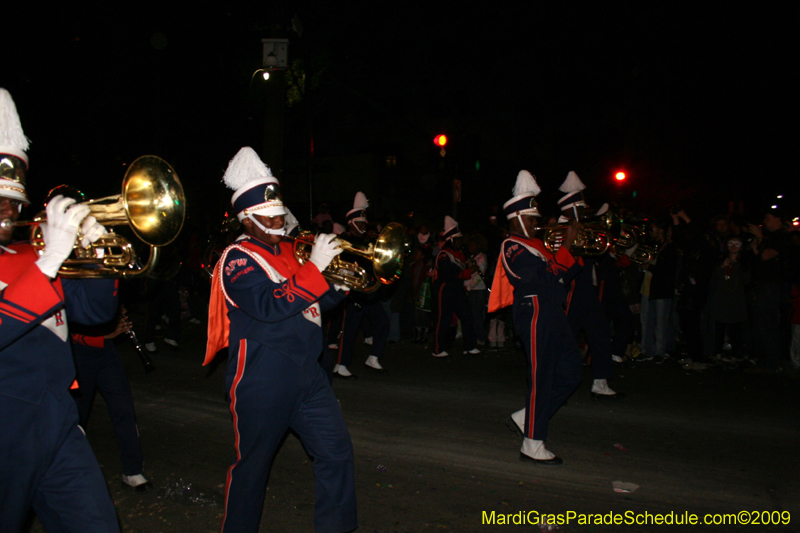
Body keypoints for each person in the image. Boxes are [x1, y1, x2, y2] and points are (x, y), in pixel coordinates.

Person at [205, 147, 356, 533]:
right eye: (269, 214)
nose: (279, 218)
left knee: (336, 452)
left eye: (279, 211)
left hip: (308, 374)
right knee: (253, 469)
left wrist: (340, 281)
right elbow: (271, 305)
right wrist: (316, 270)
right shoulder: (238, 258)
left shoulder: (290, 251)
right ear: (248, 218)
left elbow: (315, 301)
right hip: (262, 378)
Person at [0, 88, 120, 531]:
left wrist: (93, 253)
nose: (8, 211)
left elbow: (92, 315)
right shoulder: (42, 260)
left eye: (12, 201)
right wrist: (51, 261)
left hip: (58, 425)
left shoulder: (32, 256)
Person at [489, 170, 583, 464]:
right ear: (516, 218)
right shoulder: (512, 246)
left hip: (553, 313)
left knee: (571, 373)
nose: (537, 224)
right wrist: (566, 247)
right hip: (534, 313)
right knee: (542, 379)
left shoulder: (539, 246)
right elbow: (536, 280)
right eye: (532, 219)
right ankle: (532, 443)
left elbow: (560, 278)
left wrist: (575, 249)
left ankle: (528, 417)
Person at [70, 306, 152, 491]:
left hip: (106, 354)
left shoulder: (104, 280)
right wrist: (104, 336)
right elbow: (66, 329)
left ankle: (132, 471)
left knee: (124, 409)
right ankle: (72, 472)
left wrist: (116, 310)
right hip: (78, 354)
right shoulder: (71, 282)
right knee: (76, 417)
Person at [556, 171, 621, 398]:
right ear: (571, 207)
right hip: (571, 287)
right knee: (566, 335)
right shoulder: (559, 230)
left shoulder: (582, 227)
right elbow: (559, 258)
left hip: (587, 287)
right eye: (580, 208)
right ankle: (555, 380)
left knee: (600, 333)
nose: (584, 211)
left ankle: (600, 381)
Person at [333, 192, 391, 377]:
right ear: (351, 223)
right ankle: (340, 365)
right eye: (360, 223)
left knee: (383, 323)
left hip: (369, 293)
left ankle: (373, 357)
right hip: (353, 294)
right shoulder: (344, 242)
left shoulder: (368, 241)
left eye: (365, 223)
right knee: (350, 330)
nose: (364, 226)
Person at [431, 216, 480, 357]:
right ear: (451, 240)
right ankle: (438, 349)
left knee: (467, 315)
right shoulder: (444, 254)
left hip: (457, 289)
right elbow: (450, 274)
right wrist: (468, 271)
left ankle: (469, 346)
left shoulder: (460, 254)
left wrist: (469, 269)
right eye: (457, 239)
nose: (460, 242)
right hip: (444, 289)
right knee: (443, 319)